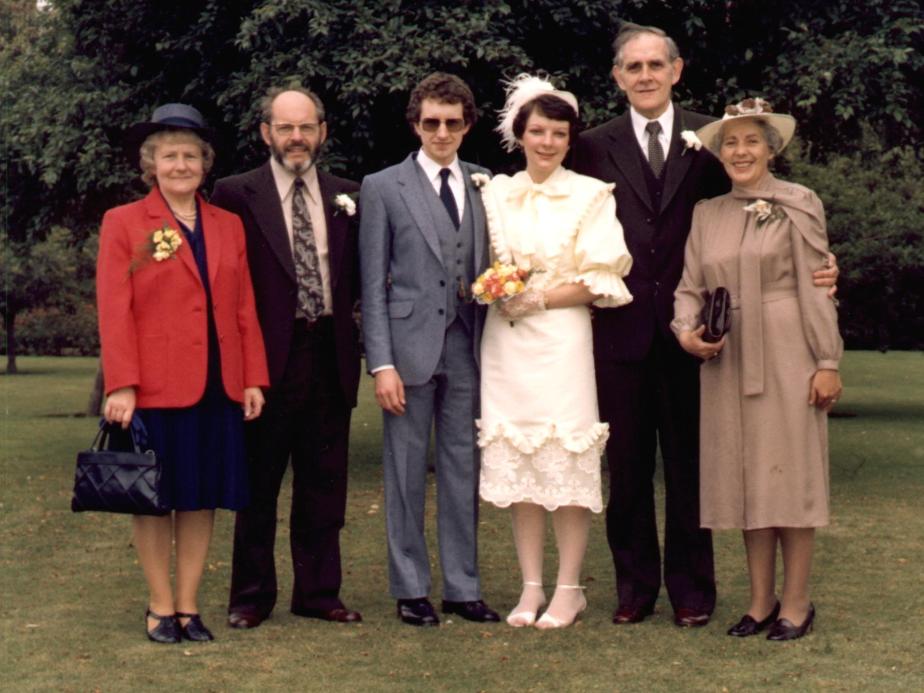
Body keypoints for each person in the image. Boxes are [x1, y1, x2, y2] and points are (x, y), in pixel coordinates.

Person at [570, 22, 839, 627]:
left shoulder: (716, 139)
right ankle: (635, 590)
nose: (645, 75)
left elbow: (762, 213)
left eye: (655, 65)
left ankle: (694, 592)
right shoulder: (591, 145)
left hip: (712, 341)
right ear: (617, 77)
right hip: (622, 330)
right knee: (628, 470)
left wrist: (822, 268)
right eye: (633, 66)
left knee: (696, 468)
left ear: (676, 70)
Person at [97, 103, 269, 643]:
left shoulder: (228, 225)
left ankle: (190, 607)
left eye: (190, 156)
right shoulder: (123, 222)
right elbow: (114, 308)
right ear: (151, 164)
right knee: (154, 497)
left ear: (205, 163)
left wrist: (252, 378)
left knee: (201, 495)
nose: (180, 165)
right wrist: (121, 383)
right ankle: (160, 606)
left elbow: (243, 306)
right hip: (153, 386)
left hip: (217, 384)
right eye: (169, 156)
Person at [673, 98, 842, 641]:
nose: (740, 151)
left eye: (751, 141)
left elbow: (817, 287)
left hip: (790, 350)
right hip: (728, 357)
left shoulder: (799, 202)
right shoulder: (707, 213)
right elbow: (690, 287)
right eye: (731, 142)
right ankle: (760, 601)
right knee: (748, 479)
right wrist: (687, 331)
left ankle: (797, 603)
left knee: (790, 477)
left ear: (771, 149)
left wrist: (826, 360)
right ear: (719, 153)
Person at [477, 76, 633, 629]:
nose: (547, 142)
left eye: (558, 133)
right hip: (506, 343)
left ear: (570, 139)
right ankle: (530, 588)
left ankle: (569, 589)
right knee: (521, 464)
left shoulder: (592, 195)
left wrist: (538, 298)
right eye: (538, 131)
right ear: (520, 135)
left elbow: (601, 278)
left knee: (565, 462)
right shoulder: (494, 192)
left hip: (563, 341)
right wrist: (500, 291)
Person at [211, 87, 364, 628]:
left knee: (324, 483)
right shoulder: (234, 194)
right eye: (285, 127)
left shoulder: (350, 196)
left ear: (322, 132)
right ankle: (251, 597)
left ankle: (318, 593)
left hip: (329, 355)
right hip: (265, 358)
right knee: (258, 484)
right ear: (265, 133)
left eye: (306, 127)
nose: (296, 137)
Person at [359, 72, 499, 627]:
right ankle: (411, 587)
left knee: (464, 469)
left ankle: (463, 587)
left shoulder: (487, 182)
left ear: (467, 125)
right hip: (407, 350)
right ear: (415, 124)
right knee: (406, 471)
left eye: (453, 123)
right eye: (432, 122)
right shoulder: (382, 186)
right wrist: (382, 364)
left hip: (469, 345)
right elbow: (372, 283)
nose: (442, 132)